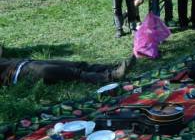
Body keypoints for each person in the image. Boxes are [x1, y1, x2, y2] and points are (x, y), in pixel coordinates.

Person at [0, 55, 135, 86]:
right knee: (72, 73)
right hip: (18, 74)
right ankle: (111, 76)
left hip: (26, 62)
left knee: (77, 65)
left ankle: (112, 67)